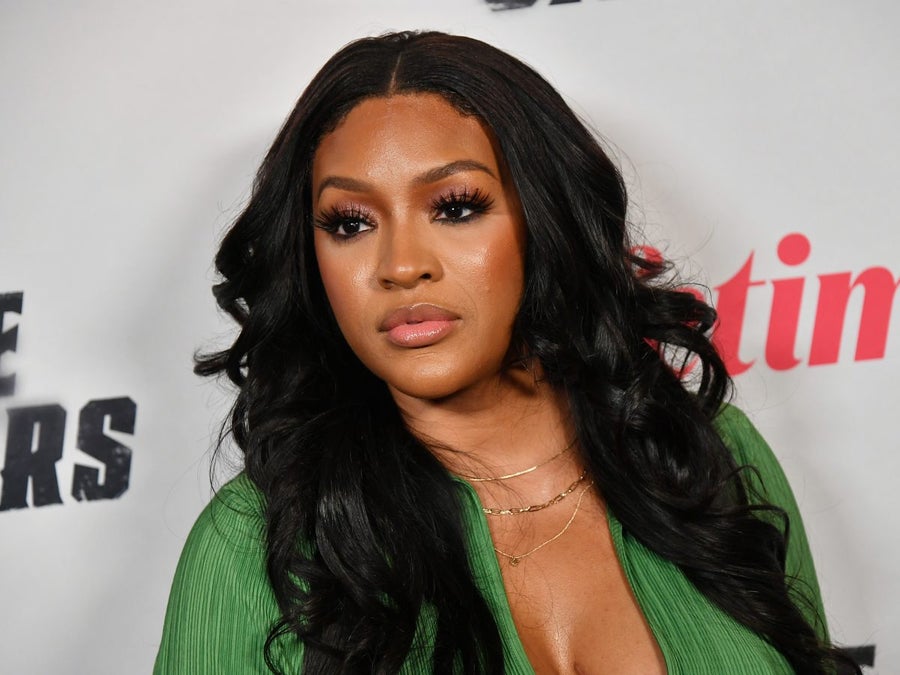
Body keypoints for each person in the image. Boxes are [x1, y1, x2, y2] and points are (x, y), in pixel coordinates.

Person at [155, 31, 857, 674]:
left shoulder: (703, 455)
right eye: (351, 222)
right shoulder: (252, 547)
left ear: (542, 218)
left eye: (456, 207)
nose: (401, 266)